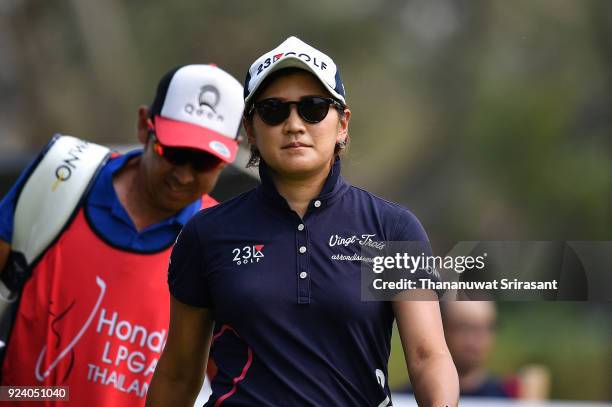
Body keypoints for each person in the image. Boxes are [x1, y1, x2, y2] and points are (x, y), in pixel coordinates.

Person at [147, 37, 459, 407]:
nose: (294, 124)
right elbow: (180, 373)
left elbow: (428, 358)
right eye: (273, 110)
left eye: (313, 108)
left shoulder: (392, 229)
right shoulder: (206, 233)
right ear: (251, 131)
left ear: (342, 123)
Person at [0, 64, 244, 405]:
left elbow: (229, 380)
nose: (185, 176)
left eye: (205, 162)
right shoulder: (61, 176)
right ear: (145, 127)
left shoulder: (226, 238)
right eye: (172, 152)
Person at [441, 301, 514, 397]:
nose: (477, 336)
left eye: (487, 327)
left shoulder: (509, 397)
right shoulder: (419, 397)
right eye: (465, 327)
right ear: (442, 329)